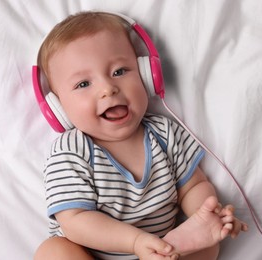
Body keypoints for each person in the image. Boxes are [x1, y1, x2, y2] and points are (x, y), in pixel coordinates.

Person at [33, 11, 248, 260]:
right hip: (93, 253)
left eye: (119, 71)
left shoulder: (164, 133)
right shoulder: (71, 151)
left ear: (147, 75)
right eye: (83, 84)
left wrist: (205, 215)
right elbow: (74, 221)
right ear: (58, 108)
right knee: (53, 252)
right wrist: (135, 241)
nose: (107, 89)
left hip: (165, 250)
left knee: (208, 245)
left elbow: (194, 186)